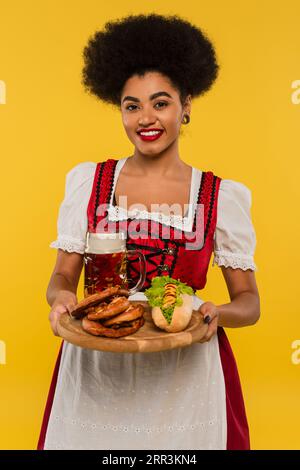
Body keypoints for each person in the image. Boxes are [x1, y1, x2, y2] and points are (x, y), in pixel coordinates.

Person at [37, 13, 260, 450]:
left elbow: (250, 304)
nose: (146, 118)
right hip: (97, 360)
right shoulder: (89, 182)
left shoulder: (220, 196)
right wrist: (61, 297)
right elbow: (63, 276)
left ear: (187, 105)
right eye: (132, 105)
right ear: (118, 108)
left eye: (161, 103)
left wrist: (217, 313)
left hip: (186, 368)